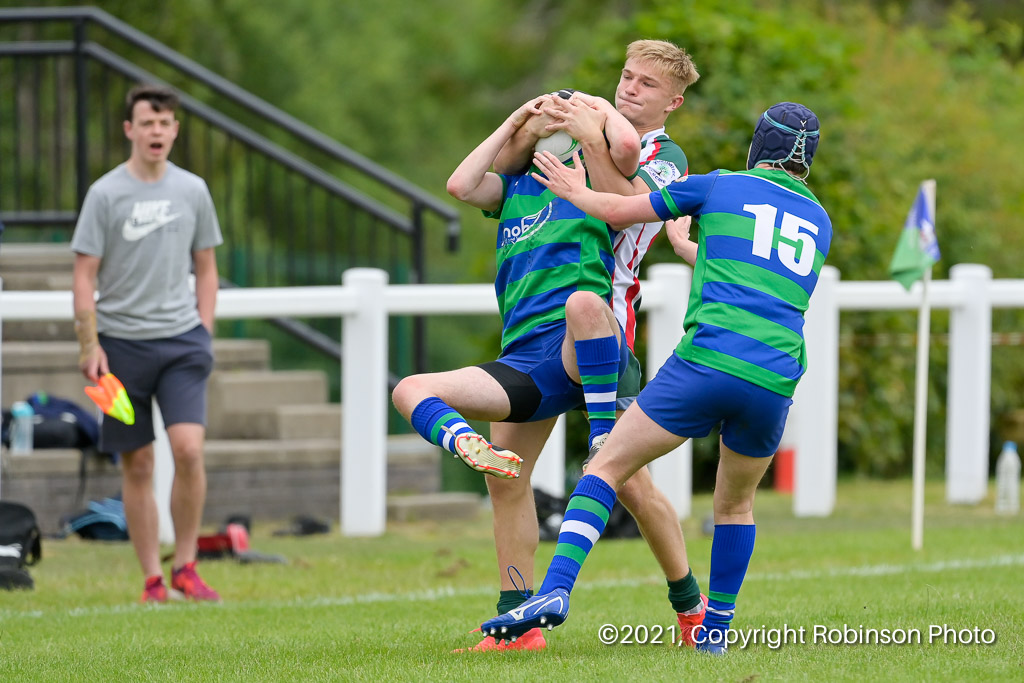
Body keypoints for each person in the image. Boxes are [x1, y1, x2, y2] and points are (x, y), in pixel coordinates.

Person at [480, 101, 830, 656]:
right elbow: (739, 268)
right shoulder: (820, 221)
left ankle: (554, 591)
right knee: (735, 506)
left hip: (708, 362)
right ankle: (713, 633)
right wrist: (689, 246)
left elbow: (618, 210)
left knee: (606, 464)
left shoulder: (719, 185)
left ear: (757, 146)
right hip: (775, 377)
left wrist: (573, 188)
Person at [460, 40, 705, 652]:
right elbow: (493, 180)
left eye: (647, 84)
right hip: (543, 331)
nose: (631, 88)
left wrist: (592, 129)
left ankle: (690, 607)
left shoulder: (667, 157)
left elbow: (620, 206)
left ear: (673, 102)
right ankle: (516, 624)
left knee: (628, 483)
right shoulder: (582, 137)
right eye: (627, 76)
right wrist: (530, 124)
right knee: (507, 476)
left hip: (603, 328)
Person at [70, 84, 223, 603]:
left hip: (182, 344)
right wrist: (89, 344)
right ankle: (152, 580)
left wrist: (203, 331)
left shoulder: (193, 190)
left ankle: (186, 566)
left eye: (164, 123)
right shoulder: (104, 194)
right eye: (146, 123)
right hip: (120, 348)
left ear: (174, 130)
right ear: (129, 130)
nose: (156, 131)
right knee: (138, 464)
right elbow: (83, 275)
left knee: (189, 450)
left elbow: (207, 268)